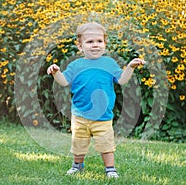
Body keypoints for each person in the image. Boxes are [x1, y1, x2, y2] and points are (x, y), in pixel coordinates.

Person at [47, 22, 146, 178]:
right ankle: (77, 165)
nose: (95, 45)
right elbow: (64, 81)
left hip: (103, 116)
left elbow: (122, 80)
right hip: (80, 115)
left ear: (105, 44)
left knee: (106, 144)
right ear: (80, 46)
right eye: (90, 42)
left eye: (99, 41)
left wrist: (130, 67)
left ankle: (110, 169)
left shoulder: (109, 63)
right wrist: (56, 72)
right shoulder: (76, 65)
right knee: (79, 143)